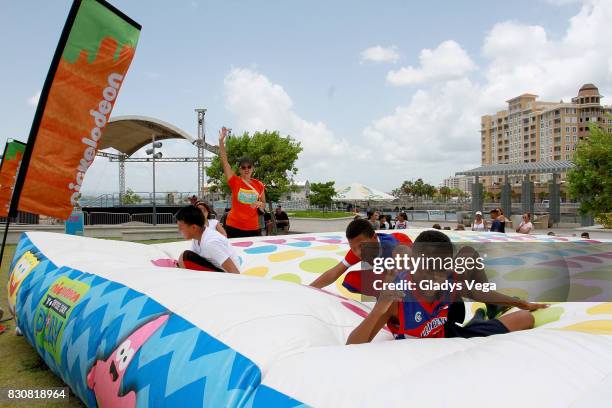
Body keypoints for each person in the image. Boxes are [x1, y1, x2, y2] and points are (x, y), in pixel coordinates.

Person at [346, 230, 548, 344]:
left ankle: (481, 315)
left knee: (525, 318)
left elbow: (477, 291)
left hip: (447, 329)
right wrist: (376, 312)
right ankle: (477, 317)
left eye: (441, 269)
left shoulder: (448, 278)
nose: (435, 276)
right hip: (433, 332)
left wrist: (520, 303)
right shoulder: (396, 297)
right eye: (428, 268)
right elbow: (352, 346)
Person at [309, 219, 412, 294]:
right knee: (351, 280)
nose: (358, 253)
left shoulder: (396, 251)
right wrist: (308, 289)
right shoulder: (358, 250)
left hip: (404, 251)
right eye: (353, 248)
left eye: (361, 246)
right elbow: (334, 272)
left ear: (374, 238)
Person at [219, 127, 266, 238]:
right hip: (234, 226)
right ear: (239, 169)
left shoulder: (259, 185)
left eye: (249, 167)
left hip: (253, 227)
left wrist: (259, 204)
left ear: (253, 168)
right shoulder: (235, 181)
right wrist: (221, 141)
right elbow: (224, 161)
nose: (246, 169)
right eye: (243, 167)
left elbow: (263, 204)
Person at [175, 205, 241, 273]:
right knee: (184, 258)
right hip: (216, 269)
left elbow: (234, 271)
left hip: (226, 275)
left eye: (181, 227)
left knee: (186, 257)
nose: (179, 230)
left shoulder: (211, 242)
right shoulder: (197, 237)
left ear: (194, 227)